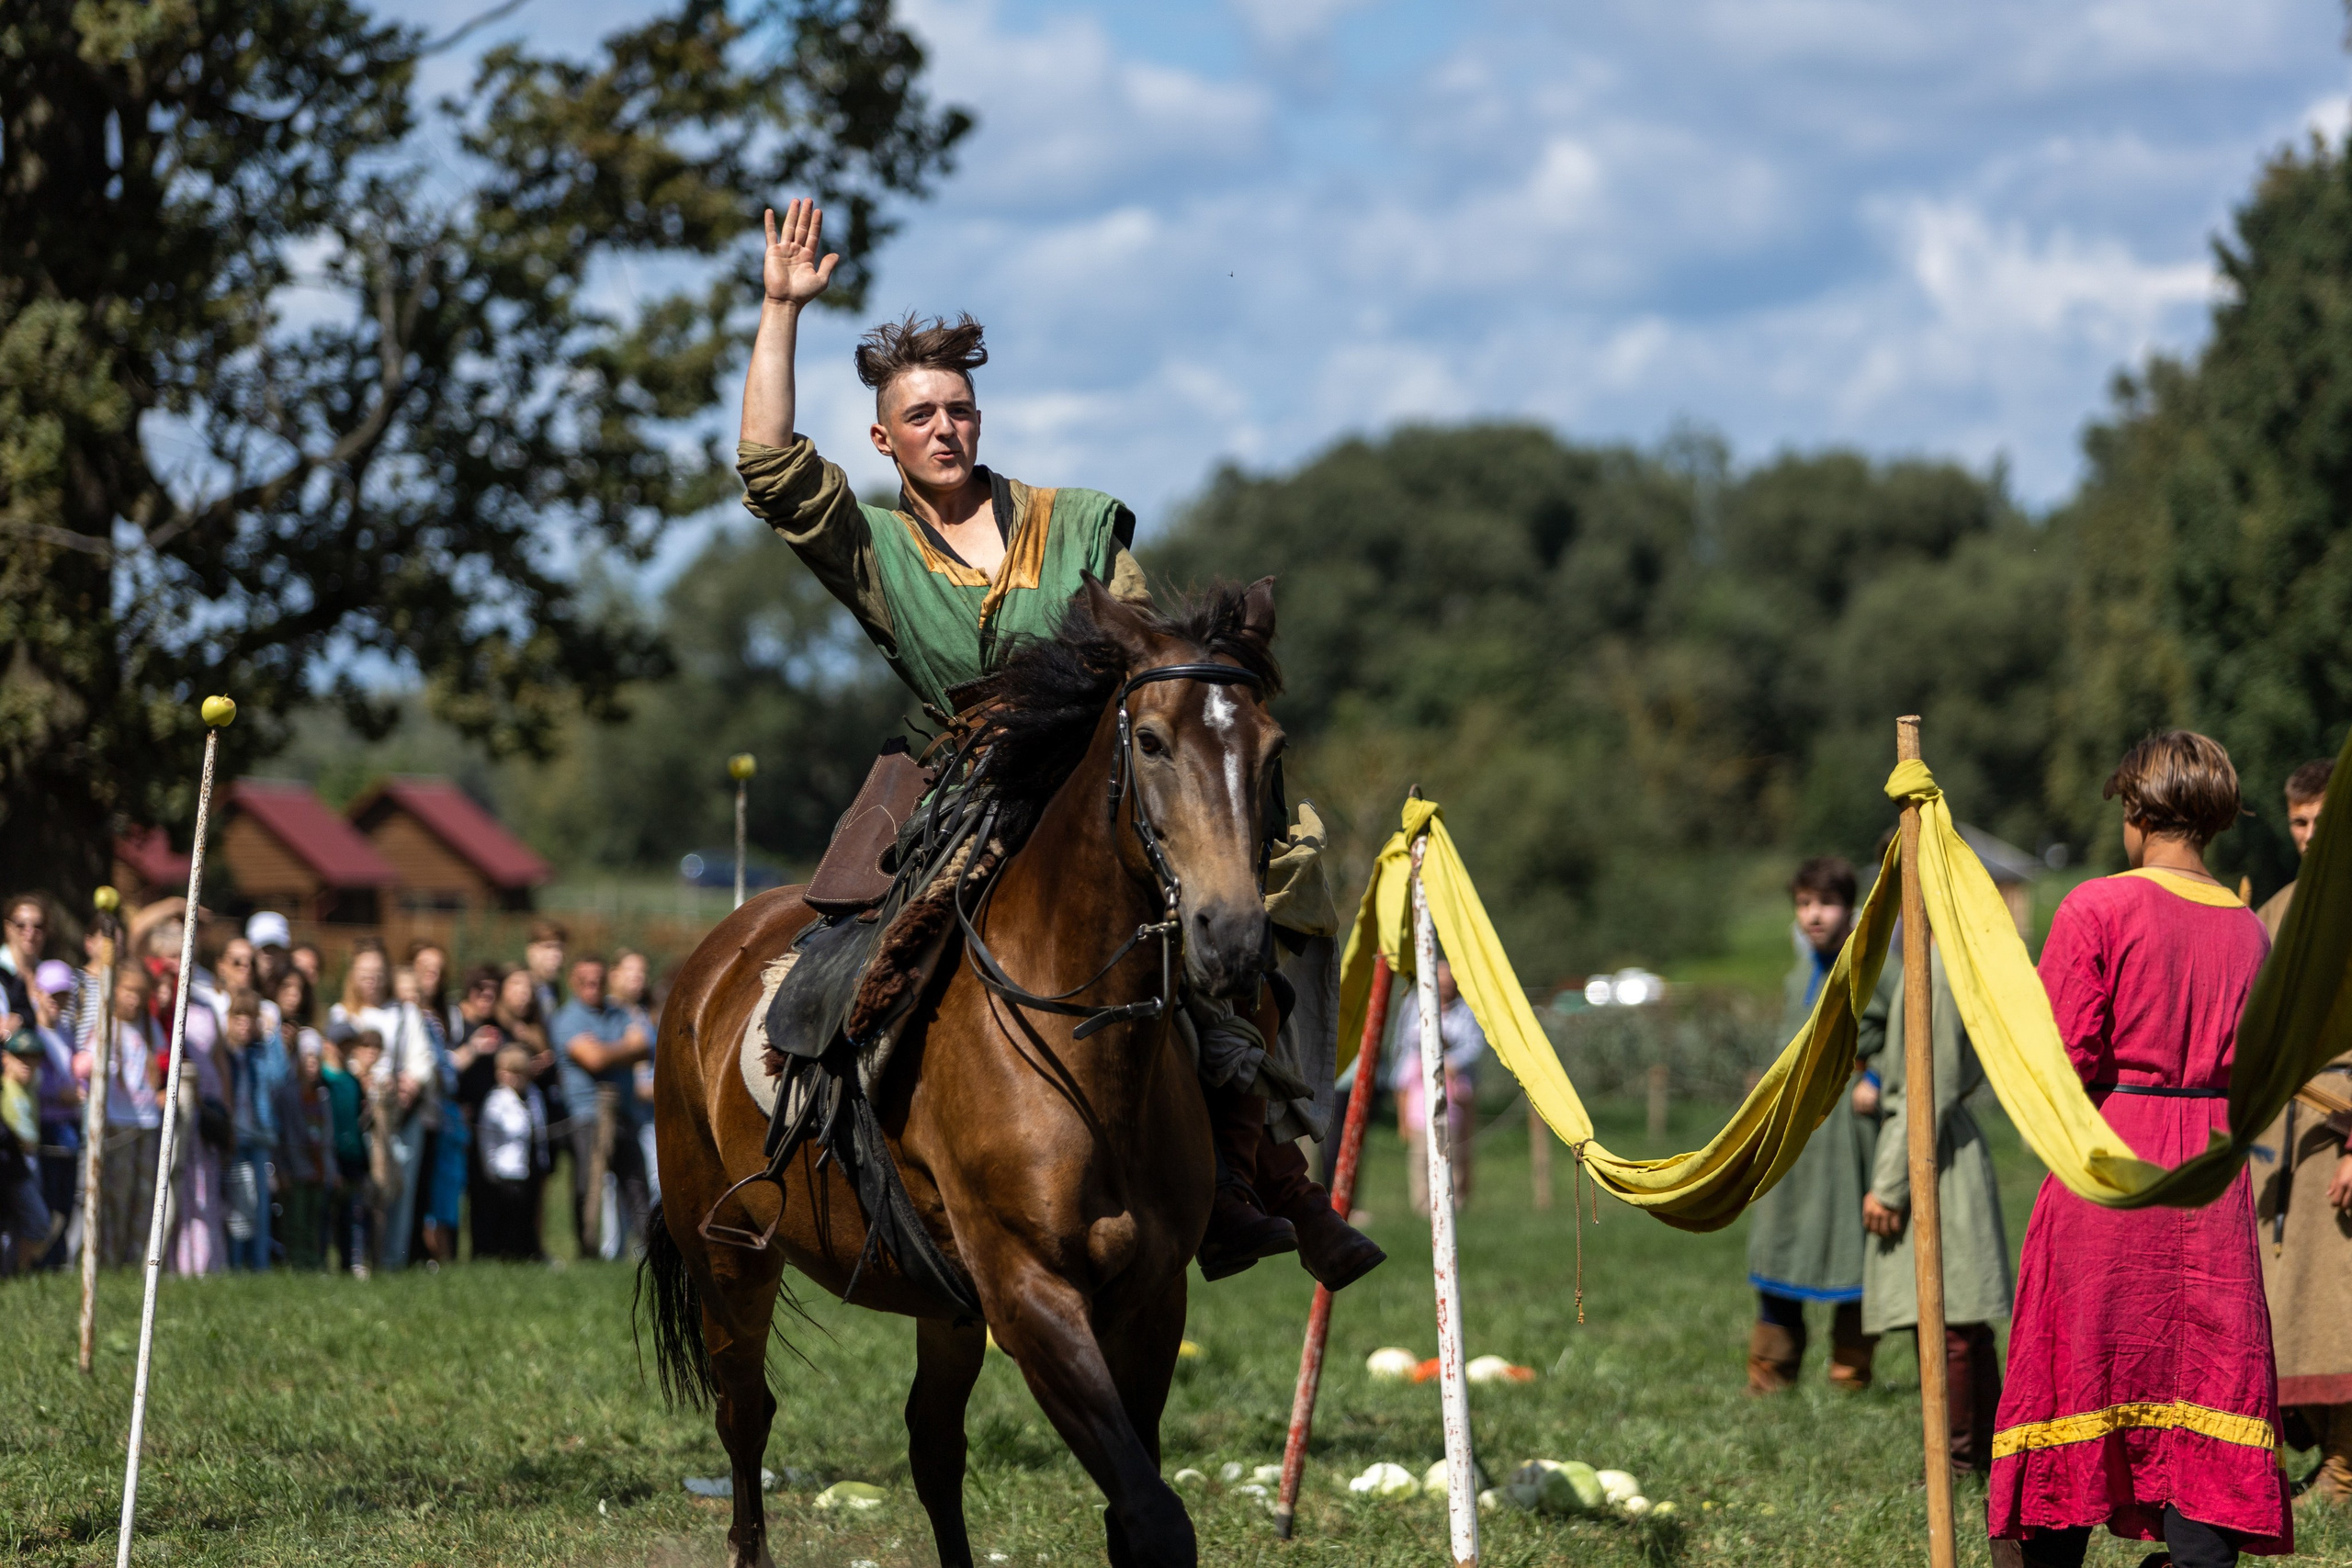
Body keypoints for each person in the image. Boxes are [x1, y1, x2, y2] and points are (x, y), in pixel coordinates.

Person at [732, 197, 1369, 1280]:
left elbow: (1138, 651)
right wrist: (781, 310)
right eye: (921, 415)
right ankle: (867, 1159)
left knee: (1205, 911)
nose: (945, 428)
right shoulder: (873, 547)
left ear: (980, 419)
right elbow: (766, 466)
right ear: (884, 439)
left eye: (960, 410)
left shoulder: (1073, 520)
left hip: (1091, 775)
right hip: (965, 789)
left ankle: (1259, 1177)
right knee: (885, 968)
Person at [1992, 730, 2288, 1566]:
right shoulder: (2248, 929)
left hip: (2110, 1173)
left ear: (2135, 808)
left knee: (2078, 1376)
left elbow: (2064, 1059)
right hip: (2209, 1182)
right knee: (2204, 1382)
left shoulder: (2097, 906)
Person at [1858, 939, 2012, 1473]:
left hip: (1934, 1151)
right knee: (1950, 1320)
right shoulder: (1927, 959)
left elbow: (1931, 1086)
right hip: (1926, 1142)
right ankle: (1980, 1453)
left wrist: (1890, 1185)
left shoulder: (1940, 968)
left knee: (1955, 1321)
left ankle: (1967, 1460)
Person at [2249, 756, 2352, 1500]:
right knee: (2282, 1297)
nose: (2310, 834)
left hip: (2340, 1128)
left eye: (2322, 818)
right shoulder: (2279, 908)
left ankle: (2346, 1466)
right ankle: (2311, 1453)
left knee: (2335, 1299)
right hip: (2278, 1134)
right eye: (2298, 822)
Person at [1745, 855, 1878, 1393]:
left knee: (1852, 1250)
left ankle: (1851, 1373)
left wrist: (1880, 1075)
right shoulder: (1798, 973)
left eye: (1826, 903)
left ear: (1849, 909)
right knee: (1779, 1240)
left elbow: (1906, 1036)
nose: (1814, 915)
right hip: (1794, 1138)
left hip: (1851, 1138)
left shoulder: (1873, 966)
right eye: (1804, 904)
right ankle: (1771, 1372)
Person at [549, 955, 650, 1259]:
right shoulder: (568, 1018)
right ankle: (588, 1250)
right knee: (588, 1185)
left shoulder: (618, 1012)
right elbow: (593, 1059)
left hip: (625, 1113)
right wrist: (625, 1049)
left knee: (636, 1184)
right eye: (585, 980)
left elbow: (644, 1046)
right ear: (573, 982)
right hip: (587, 1116)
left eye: (597, 980)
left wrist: (609, 1051)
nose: (592, 986)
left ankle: (650, 1249)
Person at [1392, 957, 1484, 1214]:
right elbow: (1402, 1045)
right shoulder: (1413, 1005)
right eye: (1439, 980)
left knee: (1455, 1150)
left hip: (1456, 1096)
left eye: (1449, 981)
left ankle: (1456, 1201)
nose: (1444, 986)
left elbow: (1474, 1045)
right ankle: (1423, 1205)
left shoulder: (1465, 1010)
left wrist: (1450, 1061)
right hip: (1419, 1100)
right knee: (1421, 1155)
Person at [98, 964, 164, 1266]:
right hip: (118, 1122)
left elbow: (160, 1068)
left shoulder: (151, 1027)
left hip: (147, 1122)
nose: (134, 1000)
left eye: (140, 993)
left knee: (145, 1195)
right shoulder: (106, 1026)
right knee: (117, 1195)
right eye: (128, 992)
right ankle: (111, 1260)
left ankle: (136, 1261)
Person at [270, 972, 331, 1270]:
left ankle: (313, 1260)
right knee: (294, 1218)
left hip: (317, 1170)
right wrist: (283, 1167)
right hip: (295, 1169)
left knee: (313, 1219)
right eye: (306, 1058)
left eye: (316, 1059)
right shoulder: (288, 1096)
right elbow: (285, 1135)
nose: (311, 1064)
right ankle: (295, 1260)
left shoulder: (322, 1098)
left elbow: (327, 1136)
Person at [28, 958, 85, 1269]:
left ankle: (56, 1259)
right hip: (47, 1127)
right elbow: (34, 1081)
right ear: (37, 993)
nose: (57, 1003)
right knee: (48, 1198)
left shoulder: (66, 1031)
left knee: (65, 1199)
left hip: (69, 1125)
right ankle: (40, 1260)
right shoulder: (33, 1033)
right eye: (52, 995)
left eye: (63, 995)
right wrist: (59, 1094)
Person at [473, 1043, 550, 1260]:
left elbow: (540, 1129)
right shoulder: (496, 1100)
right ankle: (505, 1253)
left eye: (516, 1072)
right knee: (507, 1215)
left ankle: (527, 1253)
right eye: (505, 1071)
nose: (510, 1078)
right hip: (504, 1168)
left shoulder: (533, 1095)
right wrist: (489, 1166)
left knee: (527, 1213)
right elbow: (486, 1138)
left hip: (528, 1165)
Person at [322, 1030, 377, 1276]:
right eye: (339, 1044)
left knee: (354, 1212)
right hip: (329, 1153)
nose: (343, 1050)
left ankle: (352, 1261)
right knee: (326, 1212)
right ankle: (321, 1260)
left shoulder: (353, 1080)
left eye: (349, 1046)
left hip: (353, 1154)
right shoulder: (324, 1078)